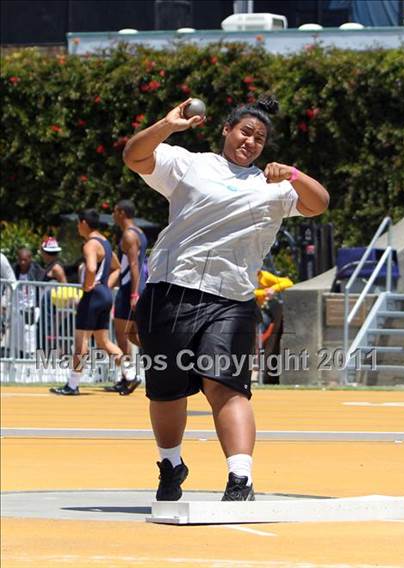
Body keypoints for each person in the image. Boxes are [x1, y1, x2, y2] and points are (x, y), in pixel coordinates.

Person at [123, 95, 329, 501]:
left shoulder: (272, 186)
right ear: (226, 131)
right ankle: (170, 464)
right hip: (172, 290)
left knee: (226, 386)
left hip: (230, 299)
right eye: (244, 132)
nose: (250, 141)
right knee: (166, 389)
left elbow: (318, 203)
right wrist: (167, 125)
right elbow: (135, 156)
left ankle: (240, 478)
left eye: (259, 138)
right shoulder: (191, 164)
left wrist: (293, 174)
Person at [50, 209, 123, 395]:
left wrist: (88, 286)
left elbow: (90, 268)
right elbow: (117, 267)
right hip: (105, 294)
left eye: (77, 224)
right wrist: (105, 285)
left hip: (94, 296)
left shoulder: (90, 244)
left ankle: (72, 385)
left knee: (81, 341)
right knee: (103, 341)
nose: (77, 227)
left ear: (83, 223)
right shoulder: (105, 243)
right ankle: (130, 374)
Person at [104, 199, 148, 395]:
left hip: (128, 289)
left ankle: (129, 376)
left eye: (115, 212)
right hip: (134, 287)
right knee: (131, 335)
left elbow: (134, 265)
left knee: (123, 337)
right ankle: (126, 376)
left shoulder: (129, 235)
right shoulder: (139, 232)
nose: (113, 215)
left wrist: (134, 293)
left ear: (121, 212)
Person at [37, 237, 67, 354]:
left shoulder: (56, 268)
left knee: (51, 330)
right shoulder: (50, 266)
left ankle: (53, 353)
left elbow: (65, 286)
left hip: (53, 309)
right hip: (46, 307)